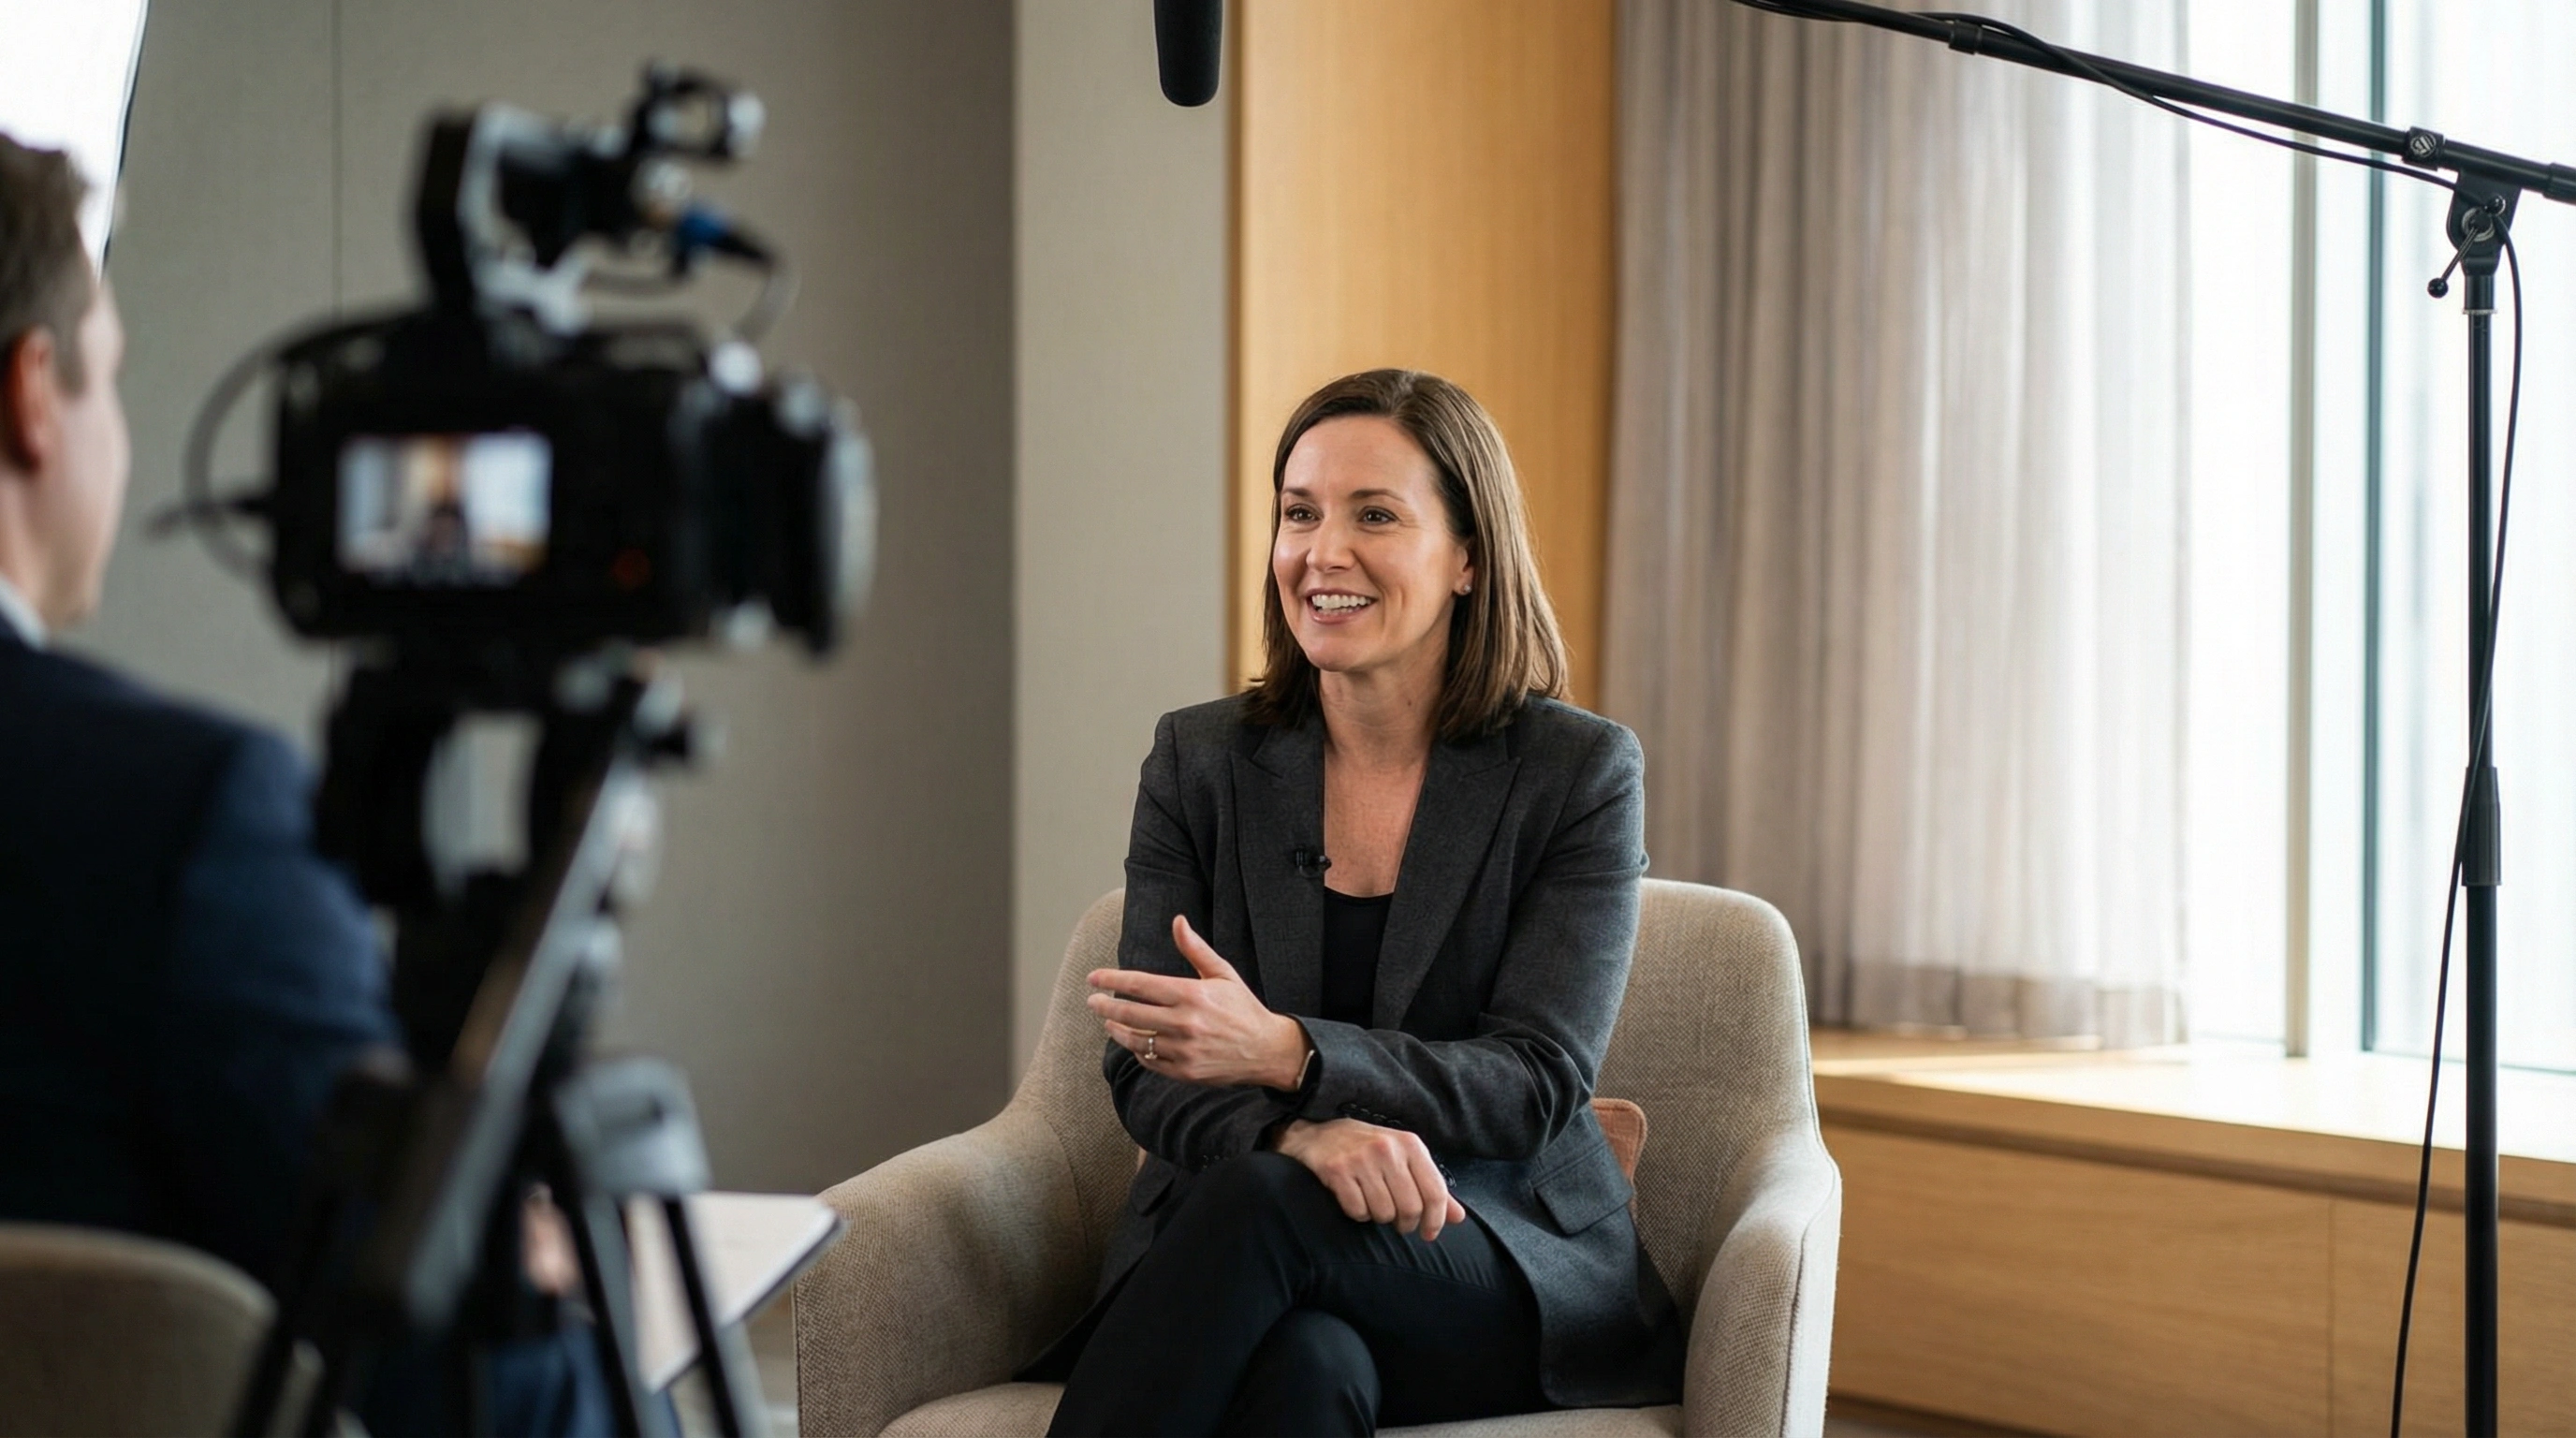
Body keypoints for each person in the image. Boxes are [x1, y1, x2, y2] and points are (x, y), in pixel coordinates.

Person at [0, 132, 603, 1438]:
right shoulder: (179, 820)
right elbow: (458, 1389)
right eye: (110, 381)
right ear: (32, 397)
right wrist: (528, 1295)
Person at [1037, 370, 1685, 1435]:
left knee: (1261, 1216)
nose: (1319, 553)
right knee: (1305, 1366)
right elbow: (1145, 1069)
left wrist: (1294, 1055)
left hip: (1489, 1254)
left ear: (1468, 556)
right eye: (1299, 513)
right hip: (1265, 1252)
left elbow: (1535, 1082)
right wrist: (1299, 1136)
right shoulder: (1199, 761)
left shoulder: (1578, 773)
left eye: (1373, 514)